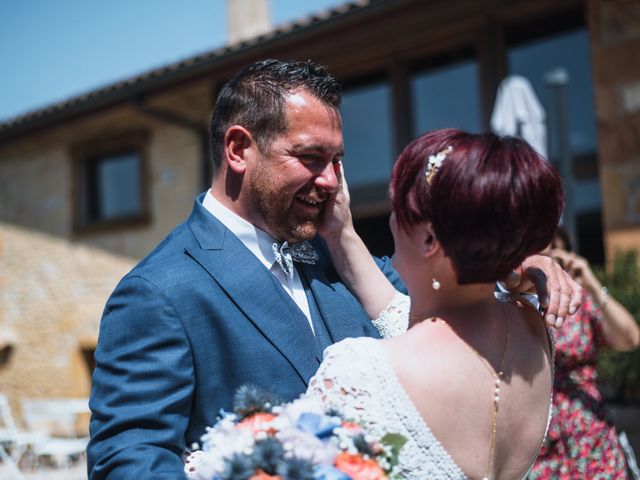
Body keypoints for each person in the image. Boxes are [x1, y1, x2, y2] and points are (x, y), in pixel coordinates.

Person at [87, 59, 580, 479]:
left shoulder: (337, 253)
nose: (329, 181)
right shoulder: (159, 291)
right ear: (238, 149)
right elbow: (127, 460)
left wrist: (514, 260)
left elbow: (439, 309)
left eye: (338, 160)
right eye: (309, 158)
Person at [307, 129, 564, 479]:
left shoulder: (358, 371)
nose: (391, 220)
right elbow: (409, 319)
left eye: (398, 208)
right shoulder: (534, 329)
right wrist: (341, 233)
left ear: (428, 237)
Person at [528, 228, 640, 479]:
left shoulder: (580, 299)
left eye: (557, 251)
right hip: (541, 449)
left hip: (592, 439)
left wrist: (591, 282)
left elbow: (630, 338)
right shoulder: (516, 304)